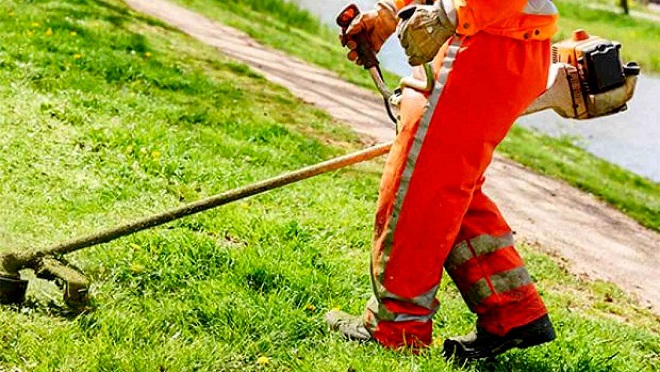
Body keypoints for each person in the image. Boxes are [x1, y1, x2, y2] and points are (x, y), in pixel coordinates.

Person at [326, 0, 560, 361]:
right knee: (444, 181)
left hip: (481, 44)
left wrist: (447, 14)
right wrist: (390, 13)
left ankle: (396, 329)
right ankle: (512, 308)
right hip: (495, 41)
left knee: (418, 186)